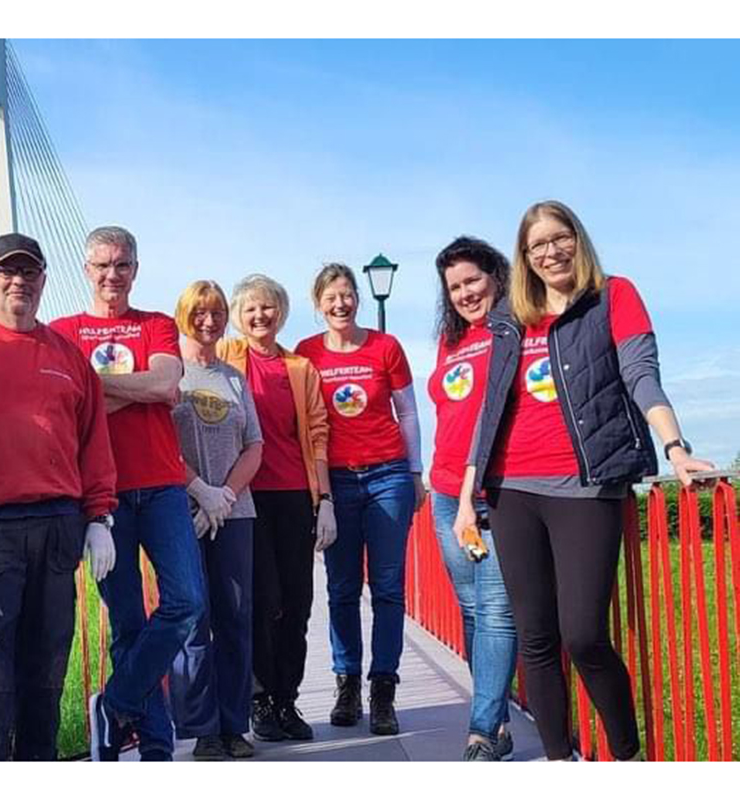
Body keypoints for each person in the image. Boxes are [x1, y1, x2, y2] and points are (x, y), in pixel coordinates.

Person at [456, 200, 715, 761]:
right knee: (536, 638)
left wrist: (674, 445)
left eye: (559, 238)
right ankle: (560, 761)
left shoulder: (613, 295)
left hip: (587, 482)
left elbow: (641, 373)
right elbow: (490, 407)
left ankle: (627, 757)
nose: (550, 252)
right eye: (537, 245)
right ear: (524, 257)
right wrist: (464, 496)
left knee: (583, 634)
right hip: (511, 488)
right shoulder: (510, 316)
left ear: (578, 238)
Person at [0, 232, 117, 760]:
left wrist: (99, 516)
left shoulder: (70, 356)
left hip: (58, 525)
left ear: (43, 280)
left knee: (47, 668)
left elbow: (93, 440)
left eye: (29, 272)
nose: (19, 281)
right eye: (7, 271)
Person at [50, 225, 205, 762]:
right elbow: (64, 407)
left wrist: (93, 389)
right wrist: (132, 391)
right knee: (129, 623)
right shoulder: (63, 331)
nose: (111, 275)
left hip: (161, 486)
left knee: (187, 600)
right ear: (86, 270)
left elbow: (165, 386)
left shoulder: (158, 324)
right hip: (102, 496)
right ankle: (155, 749)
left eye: (121, 265)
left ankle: (114, 705)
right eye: (101, 265)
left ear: (135, 269)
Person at [295, 263, 425, 737]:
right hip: (337, 483)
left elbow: (407, 412)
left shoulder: (385, 348)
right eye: (331, 297)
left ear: (358, 299)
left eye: (347, 294)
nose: (341, 303)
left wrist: (415, 473)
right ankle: (346, 682)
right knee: (342, 589)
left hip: (387, 473)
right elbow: (302, 421)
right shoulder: (306, 354)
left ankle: (383, 688)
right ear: (318, 304)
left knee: (388, 588)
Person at [217, 274, 333, 743]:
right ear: (237, 316)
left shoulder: (300, 368)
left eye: (268, 308)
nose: (260, 316)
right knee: (261, 600)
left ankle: (287, 698)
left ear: (281, 313)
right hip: (244, 494)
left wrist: (324, 499)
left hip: (292, 494)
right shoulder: (226, 356)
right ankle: (259, 698)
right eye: (250, 309)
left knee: (297, 601)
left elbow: (318, 434)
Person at [167, 280, 265, 760]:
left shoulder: (234, 379)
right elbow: (160, 445)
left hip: (234, 512)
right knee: (193, 618)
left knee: (235, 616)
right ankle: (201, 726)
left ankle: (233, 723)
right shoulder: (170, 374)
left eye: (217, 313)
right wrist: (199, 492)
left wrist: (224, 494)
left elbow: (255, 445)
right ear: (184, 315)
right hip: (183, 512)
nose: (208, 322)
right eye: (199, 313)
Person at [427, 236, 517, 761]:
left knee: (497, 611)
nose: (464, 293)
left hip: (495, 489)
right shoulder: (450, 338)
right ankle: (499, 719)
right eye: (454, 286)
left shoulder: (513, 325)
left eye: (472, 281)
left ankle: (481, 731)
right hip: (444, 493)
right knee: (472, 610)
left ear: (496, 277)